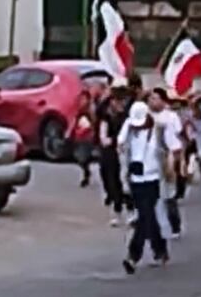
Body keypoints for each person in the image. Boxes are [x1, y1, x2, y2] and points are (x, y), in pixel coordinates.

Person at [118, 101, 168, 274]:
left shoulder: (157, 130)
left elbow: (168, 148)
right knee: (147, 216)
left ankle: (133, 256)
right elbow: (120, 143)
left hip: (152, 178)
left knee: (145, 215)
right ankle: (160, 248)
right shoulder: (129, 127)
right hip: (136, 179)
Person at [147, 89, 184, 239]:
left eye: (156, 98)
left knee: (169, 195)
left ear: (163, 100)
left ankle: (175, 225)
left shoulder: (170, 117)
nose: (152, 101)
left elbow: (175, 141)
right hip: (149, 161)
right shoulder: (145, 117)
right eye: (150, 99)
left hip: (165, 158)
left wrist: (175, 162)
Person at [97, 90, 131, 226]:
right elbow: (103, 138)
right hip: (109, 153)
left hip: (124, 152)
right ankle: (116, 209)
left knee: (125, 183)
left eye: (122, 101)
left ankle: (129, 210)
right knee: (111, 181)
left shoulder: (127, 118)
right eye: (116, 101)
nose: (120, 104)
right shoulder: (106, 117)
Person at [71, 91, 96, 188]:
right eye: (81, 99)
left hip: (87, 137)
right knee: (79, 157)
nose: (82, 101)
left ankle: (86, 175)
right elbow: (75, 122)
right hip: (80, 136)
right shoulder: (79, 111)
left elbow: (94, 122)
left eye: (84, 99)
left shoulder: (90, 111)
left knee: (84, 156)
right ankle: (87, 170)